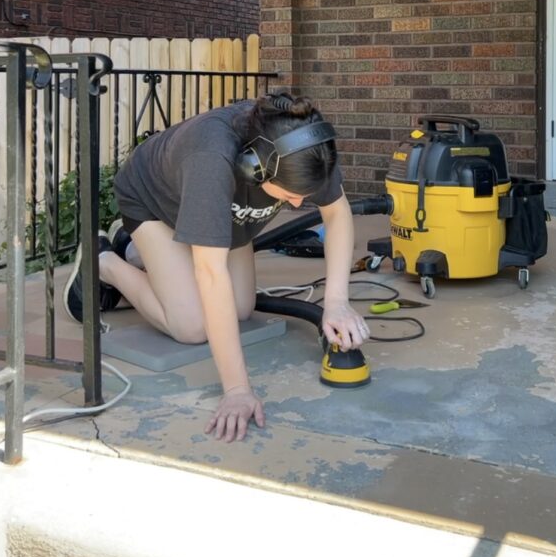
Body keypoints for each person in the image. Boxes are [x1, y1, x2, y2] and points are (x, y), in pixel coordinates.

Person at [62, 92, 369, 442]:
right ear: (253, 164)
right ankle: (104, 261)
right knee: (192, 326)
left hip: (224, 213)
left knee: (240, 309)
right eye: (288, 196)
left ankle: (139, 252)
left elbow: (337, 212)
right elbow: (211, 273)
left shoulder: (308, 148)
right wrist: (237, 389)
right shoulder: (211, 157)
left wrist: (336, 303)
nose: (298, 203)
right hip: (155, 201)